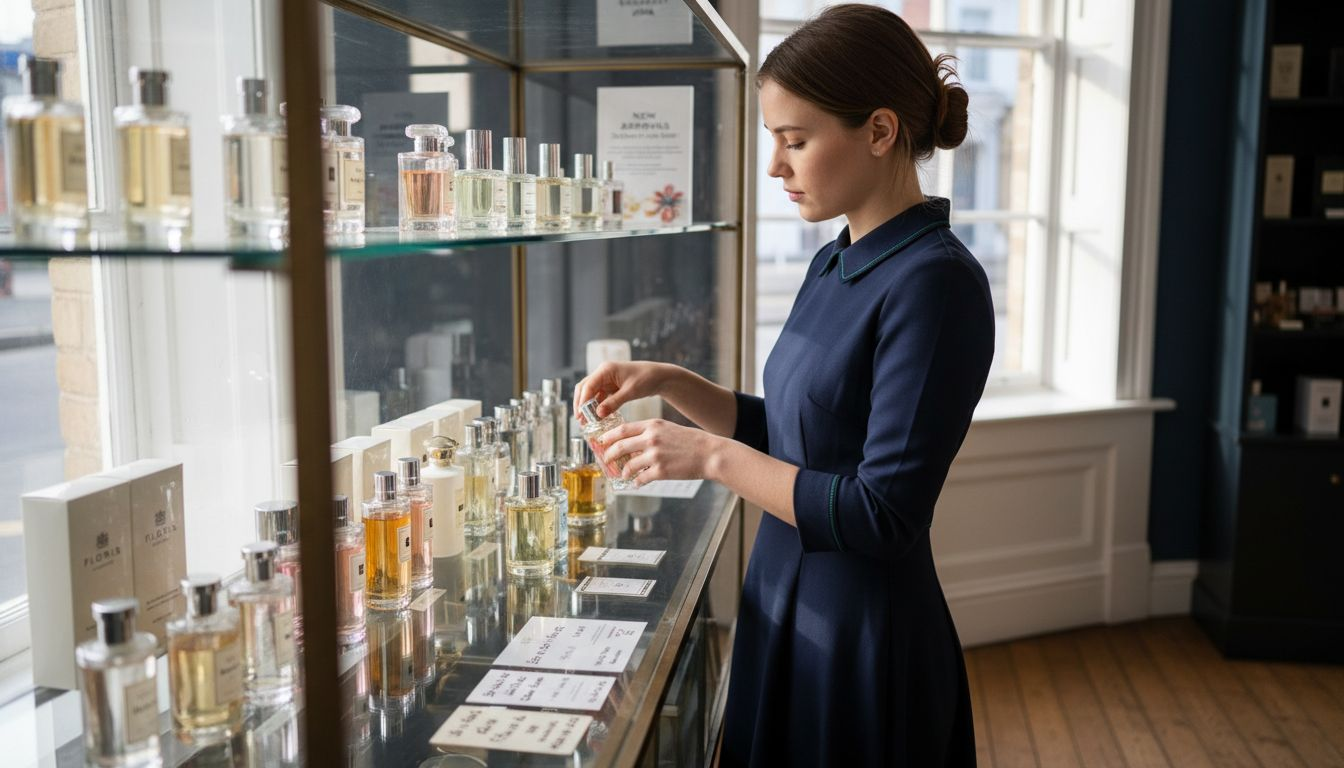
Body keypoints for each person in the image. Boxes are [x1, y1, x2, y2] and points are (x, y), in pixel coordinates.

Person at [573, 5, 991, 765]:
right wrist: (668, 380)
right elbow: (799, 437)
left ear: (880, 131)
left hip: (859, 637)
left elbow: (881, 513)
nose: (776, 166)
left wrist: (707, 458)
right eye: (775, 140)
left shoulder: (937, 285)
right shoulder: (835, 259)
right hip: (781, 603)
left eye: (795, 140)